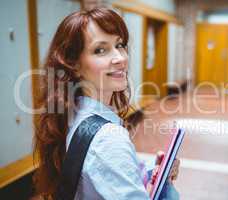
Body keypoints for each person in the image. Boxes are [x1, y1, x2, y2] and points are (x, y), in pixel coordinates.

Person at [33, 7, 180, 200]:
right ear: (74, 65)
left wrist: (150, 173)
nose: (120, 58)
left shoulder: (71, 113)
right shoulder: (108, 139)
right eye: (100, 50)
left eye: (120, 45)